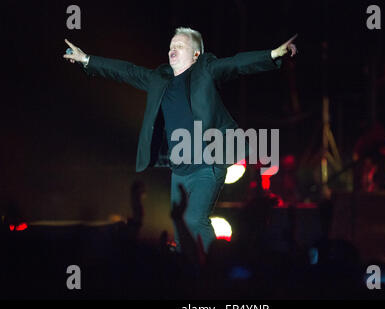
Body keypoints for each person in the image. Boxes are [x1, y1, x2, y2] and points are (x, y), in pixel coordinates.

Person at [63, 27, 298, 253]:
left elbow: (234, 64)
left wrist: (272, 55)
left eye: (179, 45)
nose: (171, 49)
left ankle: (216, 267)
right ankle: (188, 274)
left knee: (195, 219)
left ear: (196, 54)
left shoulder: (205, 68)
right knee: (180, 227)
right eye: (170, 46)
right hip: (180, 170)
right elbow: (127, 71)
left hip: (211, 162)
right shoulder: (159, 78)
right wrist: (87, 60)